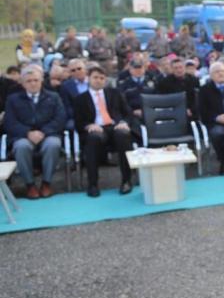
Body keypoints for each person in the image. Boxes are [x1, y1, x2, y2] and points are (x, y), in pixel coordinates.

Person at [4, 65, 66, 198]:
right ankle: (30, 184)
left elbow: (60, 118)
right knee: (21, 146)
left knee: (53, 144)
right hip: (23, 136)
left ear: (41, 81)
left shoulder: (53, 97)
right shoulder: (13, 99)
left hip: (48, 134)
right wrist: (28, 133)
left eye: (35, 80)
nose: (33, 83)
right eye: (29, 81)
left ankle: (46, 183)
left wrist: (43, 132)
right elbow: (10, 122)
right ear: (22, 83)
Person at [74, 66, 134, 197]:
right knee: (93, 137)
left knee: (123, 135)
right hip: (96, 128)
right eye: (95, 77)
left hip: (114, 126)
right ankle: (93, 184)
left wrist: (124, 122)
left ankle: (126, 180)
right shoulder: (81, 99)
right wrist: (89, 125)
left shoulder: (115, 93)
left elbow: (127, 113)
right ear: (88, 79)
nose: (98, 80)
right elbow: (78, 121)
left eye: (102, 78)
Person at [59, 58, 90, 126]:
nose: (77, 72)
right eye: (73, 70)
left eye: (79, 69)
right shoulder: (65, 87)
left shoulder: (94, 81)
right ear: (70, 73)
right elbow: (67, 106)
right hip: (77, 117)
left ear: (85, 69)